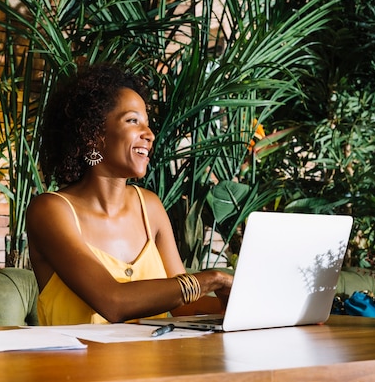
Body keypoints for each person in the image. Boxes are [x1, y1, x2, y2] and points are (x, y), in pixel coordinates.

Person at [25, 62, 233, 325]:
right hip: (77, 365)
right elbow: (113, 302)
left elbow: (184, 308)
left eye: (147, 123)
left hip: (155, 365)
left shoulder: (150, 207)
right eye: (133, 121)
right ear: (93, 134)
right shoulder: (51, 210)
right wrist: (211, 279)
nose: (149, 134)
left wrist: (239, 303)